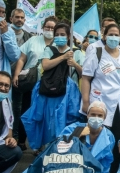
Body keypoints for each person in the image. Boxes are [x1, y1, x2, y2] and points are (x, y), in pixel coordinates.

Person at [81, 23, 120, 173]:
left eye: (116, 35)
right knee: (99, 139)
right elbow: (85, 78)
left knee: (119, 139)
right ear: (104, 36)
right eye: (110, 34)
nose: (113, 37)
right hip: (100, 103)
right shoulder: (97, 53)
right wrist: (85, 101)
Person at [22, 22, 81, 151]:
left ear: (69, 36)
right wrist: (63, 57)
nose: (60, 37)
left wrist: (75, 64)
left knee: (66, 122)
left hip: (69, 95)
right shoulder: (49, 49)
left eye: (63, 34)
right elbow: (45, 65)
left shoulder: (76, 52)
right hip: (49, 93)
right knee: (49, 123)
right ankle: (48, 151)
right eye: (57, 35)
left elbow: (85, 73)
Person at [12, 16, 58, 149]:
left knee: (44, 115)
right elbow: (21, 59)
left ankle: (40, 145)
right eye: (47, 27)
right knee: (27, 112)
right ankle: (21, 140)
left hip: (50, 85)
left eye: (52, 28)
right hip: (31, 83)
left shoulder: (58, 42)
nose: (49, 30)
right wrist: (16, 75)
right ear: (43, 28)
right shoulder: (33, 40)